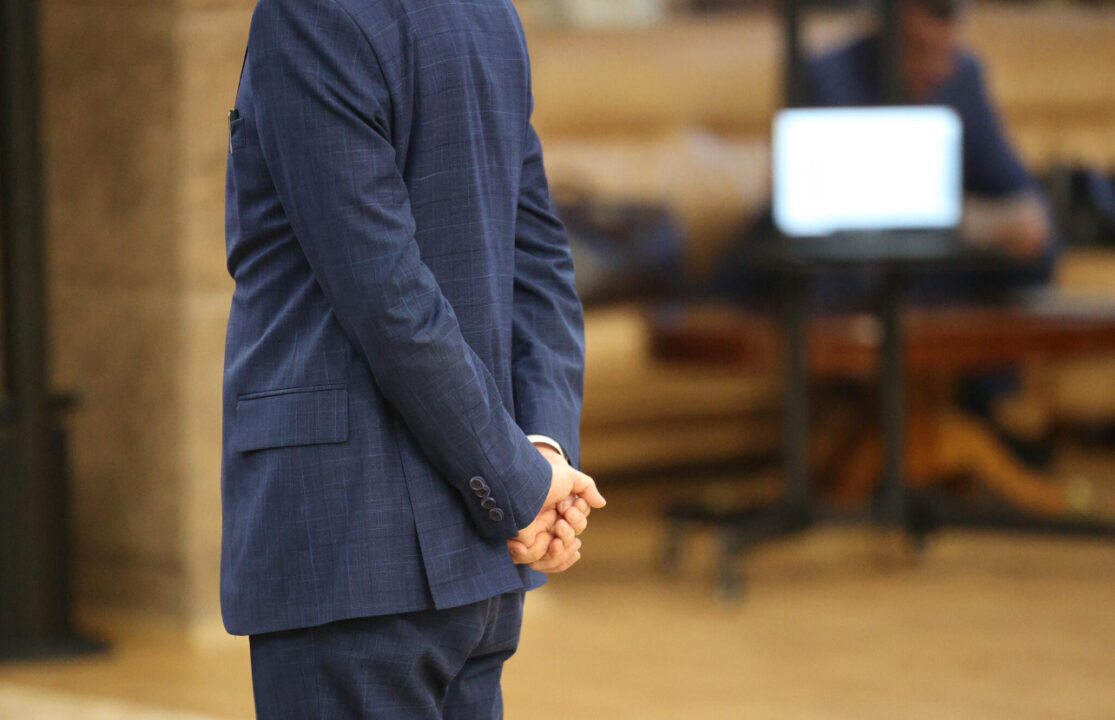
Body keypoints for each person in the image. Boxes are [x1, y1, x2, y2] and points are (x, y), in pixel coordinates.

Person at [221, 0, 605, 717]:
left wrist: (523, 483)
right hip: (473, 556)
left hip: (350, 547)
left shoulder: (308, 15)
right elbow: (542, 261)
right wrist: (540, 454)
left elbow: (389, 299)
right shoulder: (488, 14)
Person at [715, 0, 1057, 464]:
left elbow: (1019, 193)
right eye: (918, 50)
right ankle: (869, 433)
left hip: (929, 266)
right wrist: (959, 218)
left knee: (1034, 254)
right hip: (848, 263)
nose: (934, 68)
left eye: (943, 52)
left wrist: (1018, 219)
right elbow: (816, 200)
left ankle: (977, 411)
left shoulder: (963, 77)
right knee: (831, 268)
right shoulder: (827, 75)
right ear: (884, 29)